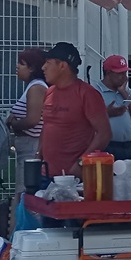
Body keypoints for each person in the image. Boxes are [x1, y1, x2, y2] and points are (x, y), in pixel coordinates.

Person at [39, 41, 112, 177]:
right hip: (45, 174)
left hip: (72, 179)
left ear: (62, 65)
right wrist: (38, 156)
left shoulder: (86, 94)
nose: (43, 67)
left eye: (48, 63)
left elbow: (104, 134)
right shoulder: (49, 92)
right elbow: (47, 127)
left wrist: (81, 162)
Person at [9, 47, 48, 195]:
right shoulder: (32, 87)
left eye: (22, 63)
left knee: (26, 193)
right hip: (27, 146)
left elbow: (33, 119)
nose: (17, 66)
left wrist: (14, 124)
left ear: (32, 68)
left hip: (32, 146)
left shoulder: (37, 87)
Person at [94, 54, 131, 162]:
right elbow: (87, 118)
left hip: (129, 148)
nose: (125, 77)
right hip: (108, 147)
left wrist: (123, 92)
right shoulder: (95, 92)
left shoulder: (127, 91)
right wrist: (107, 113)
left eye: (125, 72)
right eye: (120, 73)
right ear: (108, 73)